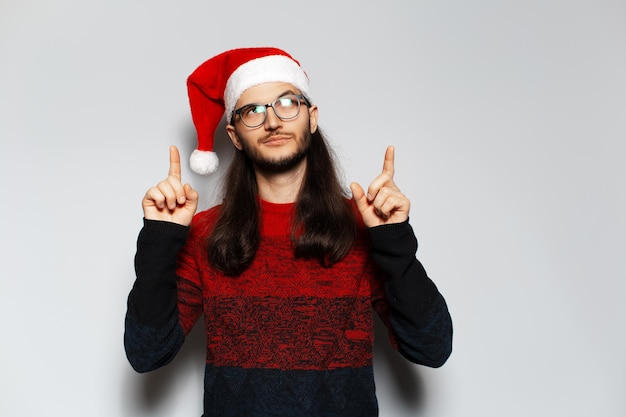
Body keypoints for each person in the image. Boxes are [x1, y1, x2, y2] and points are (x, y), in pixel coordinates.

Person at [124, 47, 452, 417]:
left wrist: (394, 242)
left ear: (311, 118)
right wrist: (160, 237)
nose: (272, 121)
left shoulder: (362, 225)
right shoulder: (205, 233)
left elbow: (432, 348)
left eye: (286, 103)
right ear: (234, 135)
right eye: (253, 111)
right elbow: (146, 354)